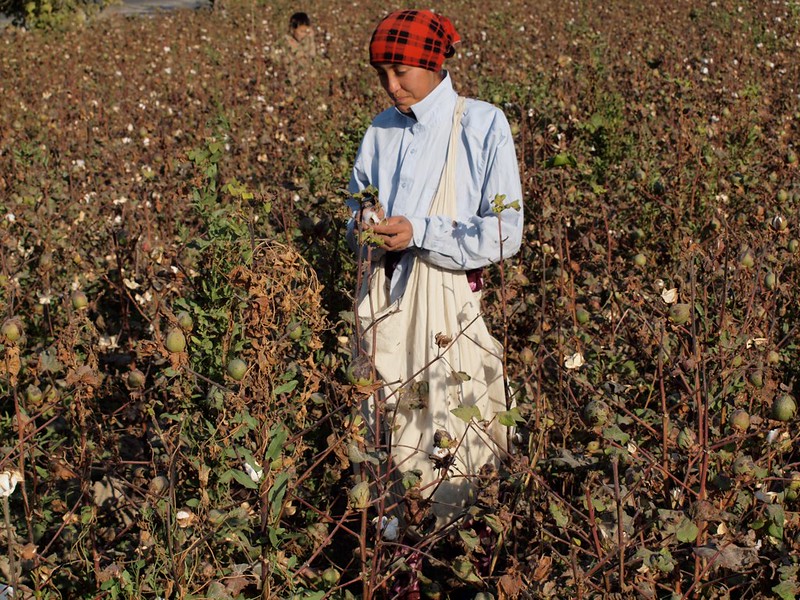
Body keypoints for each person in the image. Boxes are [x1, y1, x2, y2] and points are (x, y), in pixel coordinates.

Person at [346, 9, 524, 528]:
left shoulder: (482, 125)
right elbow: (355, 202)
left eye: (401, 72)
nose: (392, 85)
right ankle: (395, 556)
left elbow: (502, 232)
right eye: (382, 74)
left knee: (450, 438)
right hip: (384, 300)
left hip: (450, 311)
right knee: (384, 435)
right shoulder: (381, 130)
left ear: (435, 62)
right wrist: (364, 220)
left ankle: (453, 552)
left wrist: (420, 232)